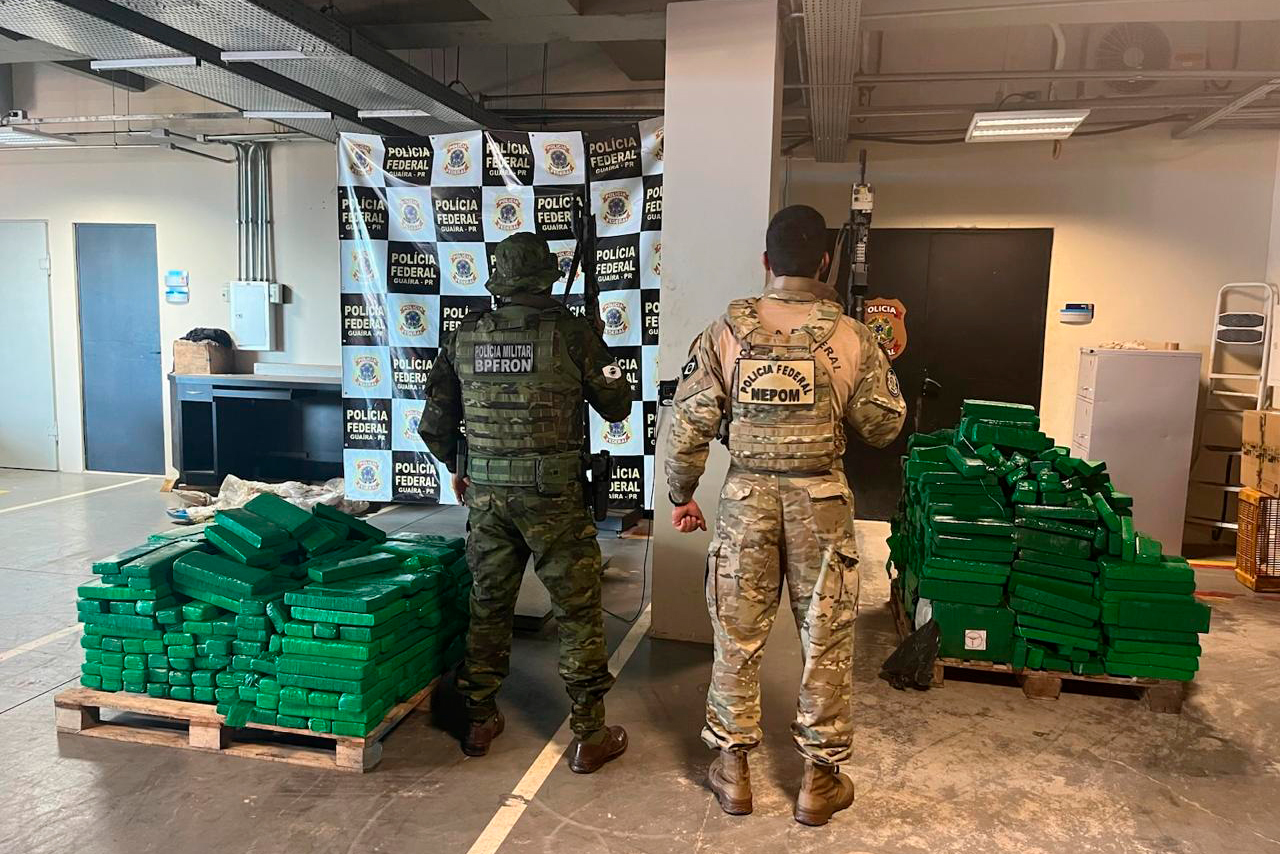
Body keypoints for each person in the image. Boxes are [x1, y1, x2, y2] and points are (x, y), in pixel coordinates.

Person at [665, 205, 906, 825]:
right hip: (821, 506)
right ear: (824, 263)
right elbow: (883, 427)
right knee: (826, 642)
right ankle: (818, 783)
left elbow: (688, 424)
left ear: (767, 261)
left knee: (736, 638)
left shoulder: (725, 333)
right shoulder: (851, 336)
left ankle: (733, 772)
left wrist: (682, 494)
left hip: (745, 504)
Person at [419, 231, 634, 773]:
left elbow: (434, 426)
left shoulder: (464, 336)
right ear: (545, 279)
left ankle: (478, 720)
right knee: (577, 611)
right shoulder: (572, 333)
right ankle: (589, 734)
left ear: (499, 279)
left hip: (489, 497)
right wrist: (596, 345)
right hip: (554, 498)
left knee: (488, 605)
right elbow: (616, 407)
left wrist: (461, 466)